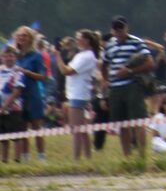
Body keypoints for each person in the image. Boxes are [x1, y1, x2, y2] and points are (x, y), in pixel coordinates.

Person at [102, 17, 155, 157]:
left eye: (121, 28)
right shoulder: (110, 45)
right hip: (115, 88)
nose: (118, 31)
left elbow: (150, 63)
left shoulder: (136, 42)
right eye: (115, 28)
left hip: (133, 86)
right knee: (122, 124)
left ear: (126, 28)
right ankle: (127, 157)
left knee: (138, 121)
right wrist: (106, 81)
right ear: (112, 30)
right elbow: (104, 63)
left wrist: (129, 71)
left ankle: (142, 156)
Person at [55, 30, 101, 160]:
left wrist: (57, 55)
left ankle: (76, 158)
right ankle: (87, 157)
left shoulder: (87, 56)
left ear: (87, 40)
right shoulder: (82, 55)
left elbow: (66, 71)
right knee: (82, 130)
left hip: (78, 94)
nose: (77, 41)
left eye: (79, 38)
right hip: (76, 93)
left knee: (76, 129)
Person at [11, 27, 48, 162]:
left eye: (24, 36)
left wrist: (25, 72)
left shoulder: (36, 55)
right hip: (18, 96)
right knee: (22, 128)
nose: (21, 38)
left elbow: (43, 76)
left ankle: (41, 157)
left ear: (30, 38)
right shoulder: (14, 55)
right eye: (19, 35)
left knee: (36, 127)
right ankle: (25, 157)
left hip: (32, 94)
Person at [0, 45, 26, 163]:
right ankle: (4, 160)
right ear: (2, 57)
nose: (8, 58)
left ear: (15, 57)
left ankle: (17, 159)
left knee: (16, 134)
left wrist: (5, 106)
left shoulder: (18, 72)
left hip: (14, 108)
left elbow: (17, 91)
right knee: (3, 136)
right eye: (6, 56)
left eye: (11, 56)